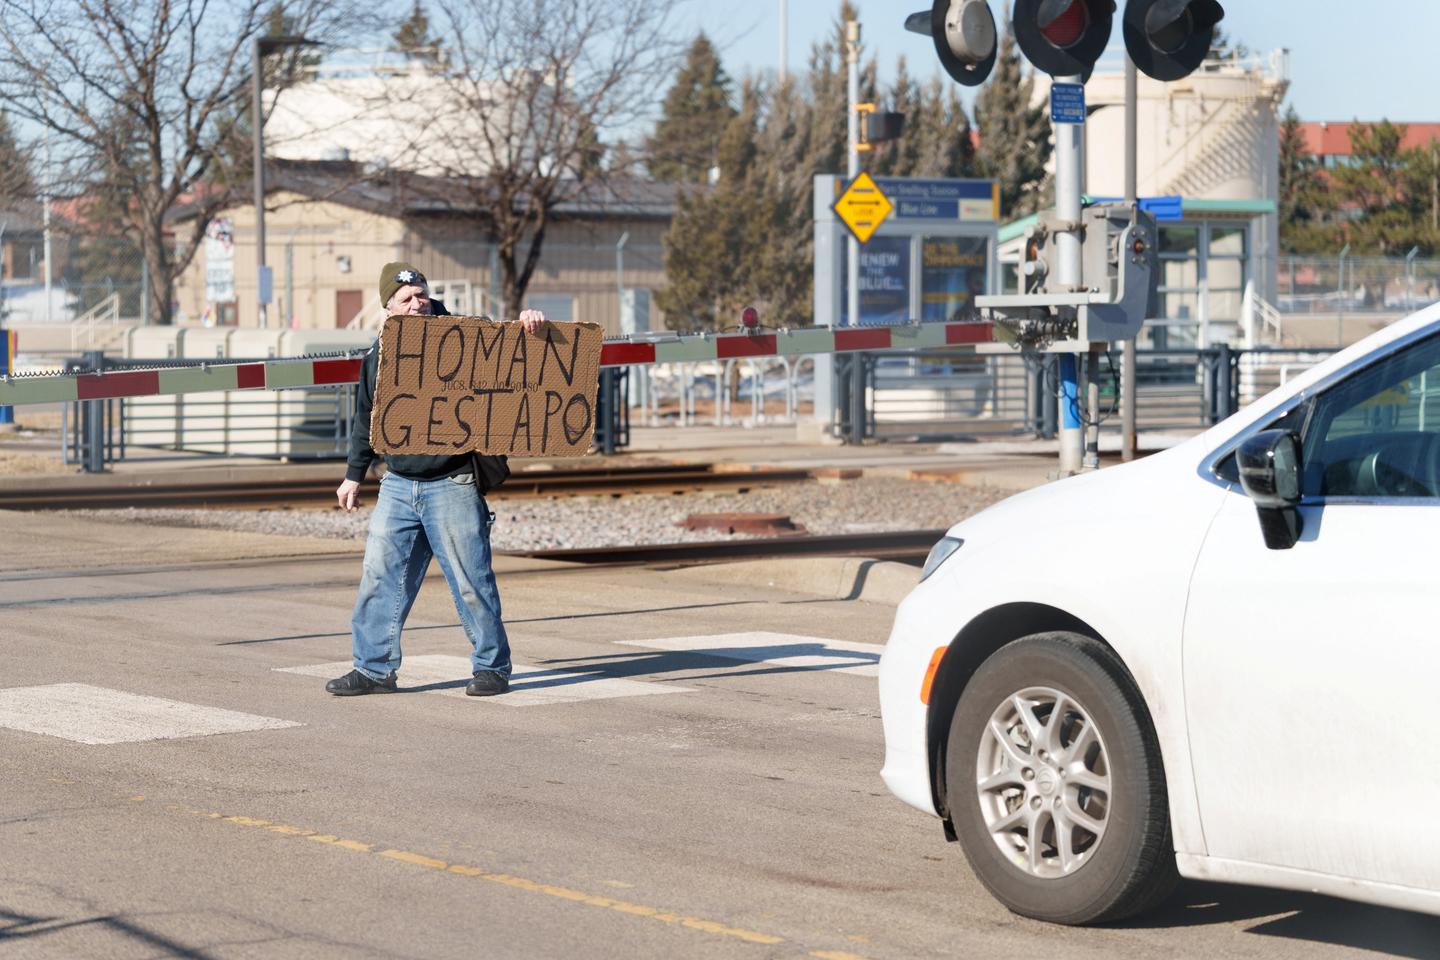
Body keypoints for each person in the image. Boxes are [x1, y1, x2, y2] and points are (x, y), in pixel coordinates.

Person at [326, 262, 545, 697]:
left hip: (453, 481)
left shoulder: (466, 336)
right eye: (406, 298)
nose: (417, 303)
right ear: (389, 308)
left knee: (471, 582)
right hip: (397, 484)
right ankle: (373, 669)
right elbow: (367, 416)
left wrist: (529, 329)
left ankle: (492, 668)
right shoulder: (380, 353)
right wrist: (353, 476)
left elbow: (511, 362)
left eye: (421, 294)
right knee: (379, 579)